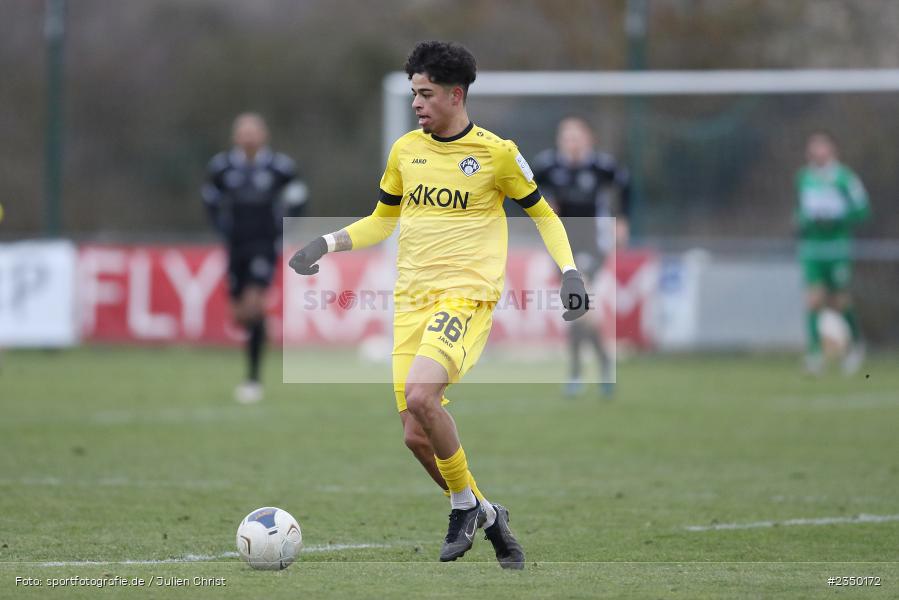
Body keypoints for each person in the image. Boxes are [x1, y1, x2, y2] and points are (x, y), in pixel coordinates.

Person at [288, 41, 589, 569]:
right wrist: (326, 243)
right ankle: (488, 514)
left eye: (425, 94)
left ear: (456, 94)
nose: (416, 104)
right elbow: (383, 220)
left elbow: (543, 214)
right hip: (410, 301)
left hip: (466, 295)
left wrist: (568, 271)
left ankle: (460, 507)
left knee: (424, 395)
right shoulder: (407, 150)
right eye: (412, 94)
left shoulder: (496, 154)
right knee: (413, 433)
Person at [202, 113, 308, 403]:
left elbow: (299, 197)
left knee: (253, 305)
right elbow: (210, 198)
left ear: (264, 135)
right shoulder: (222, 167)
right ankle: (261, 329)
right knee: (240, 316)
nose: (248, 137)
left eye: (253, 132)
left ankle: (253, 379)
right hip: (236, 246)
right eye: (243, 132)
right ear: (235, 136)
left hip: (264, 244)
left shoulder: (279, 167)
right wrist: (220, 228)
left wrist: (286, 227)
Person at [533, 116, 631, 397]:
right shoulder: (548, 166)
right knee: (578, 311)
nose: (571, 142)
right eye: (566, 137)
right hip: (561, 244)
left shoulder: (601, 166)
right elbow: (525, 189)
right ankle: (601, 364)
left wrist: (622, 220)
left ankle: (579, 371)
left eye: (576, 137)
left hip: (592, 242)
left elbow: (625, 185)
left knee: (578, 303)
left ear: (588, 139)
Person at [796, 131, 870, 375]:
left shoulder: (844, 178)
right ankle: (815, 353)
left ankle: (856, 346)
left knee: (839, 302)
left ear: (831, 151)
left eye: (822, 148)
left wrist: (836, 219)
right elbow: (800, 212)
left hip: (837, 248)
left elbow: (862, 209)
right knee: (814, 300)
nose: (817, 153)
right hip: (812, 249)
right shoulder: (804, 177)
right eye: (813, 149)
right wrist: (805, 220)